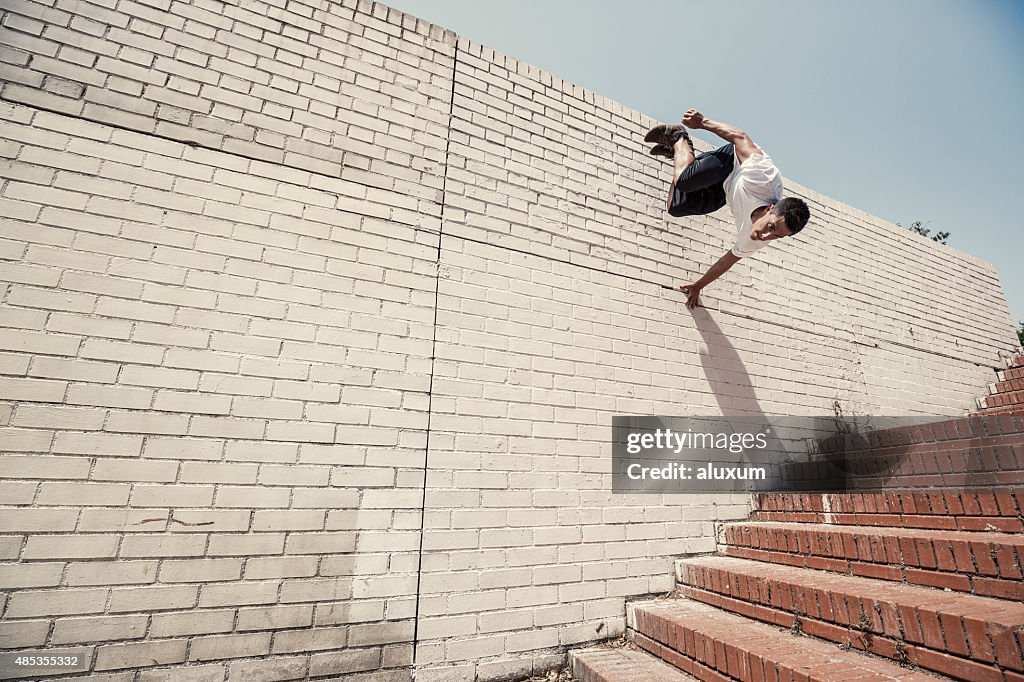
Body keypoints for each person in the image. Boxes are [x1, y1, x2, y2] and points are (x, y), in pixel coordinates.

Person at [645, 109, 810, 309]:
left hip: (727, 189)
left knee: (676, 207)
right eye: (771, 227)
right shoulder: (763, 178)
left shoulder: (756, 240)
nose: (767, 236)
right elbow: (739, 137)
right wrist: (702, 122)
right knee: (685, 182)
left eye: (777, 237)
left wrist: (698, 286)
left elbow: (727, 261)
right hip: (730, 163)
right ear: (770, 209)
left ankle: (680, 156)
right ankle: (678, 137)